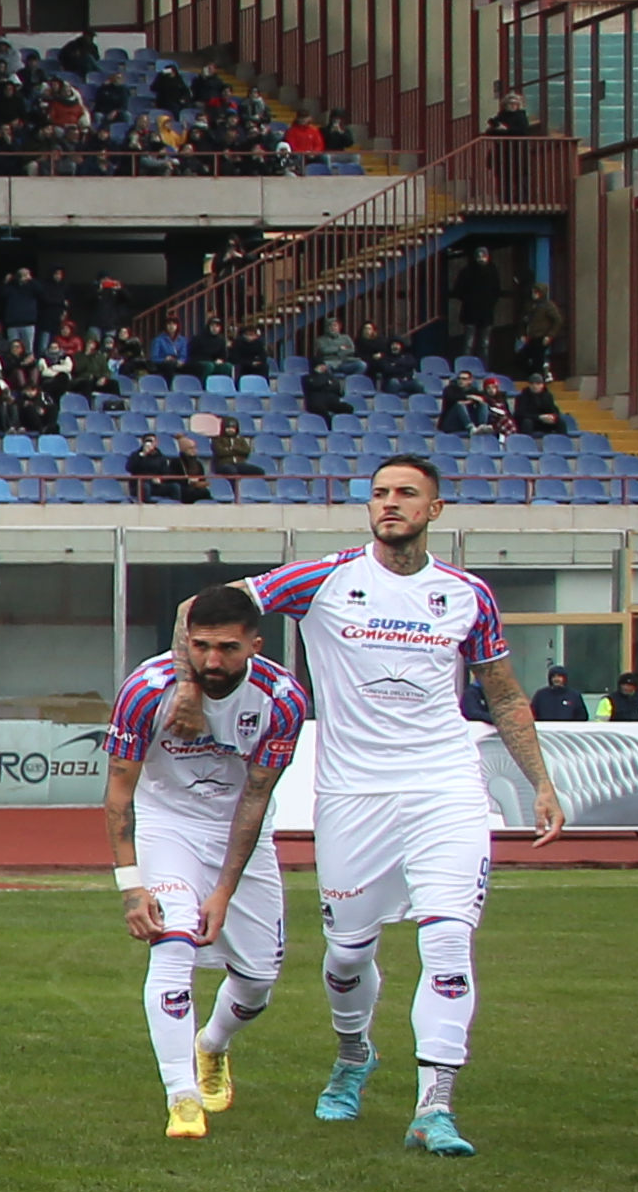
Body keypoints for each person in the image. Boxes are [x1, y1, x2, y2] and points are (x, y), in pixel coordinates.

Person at [240, 454, 564, 1152]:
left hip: (444, 785)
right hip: (354, 794)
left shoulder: (467, 594)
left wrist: (539, 780)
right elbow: (210, 609)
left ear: (434, 510)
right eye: (380, 493)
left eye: (406, 493)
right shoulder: (323, 577)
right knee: (347, 952)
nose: (390, 503)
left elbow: (504, 694)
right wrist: (184, 686)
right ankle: (354, 1054)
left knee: (448, 936)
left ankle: (435, 1106)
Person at [106, 589, 308, 1142]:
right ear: (186, 642)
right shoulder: (147, 691)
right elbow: (120, 791)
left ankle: (211, 1045)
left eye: (227, 648)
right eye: (200, 647)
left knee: (259, 980)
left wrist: (220, 892)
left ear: (255, 645)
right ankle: (182, 1097)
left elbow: (254, 801)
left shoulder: (283, 699)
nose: (212, 661)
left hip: (239, 834)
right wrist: (131, 886)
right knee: (173, 943)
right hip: (168, 824)